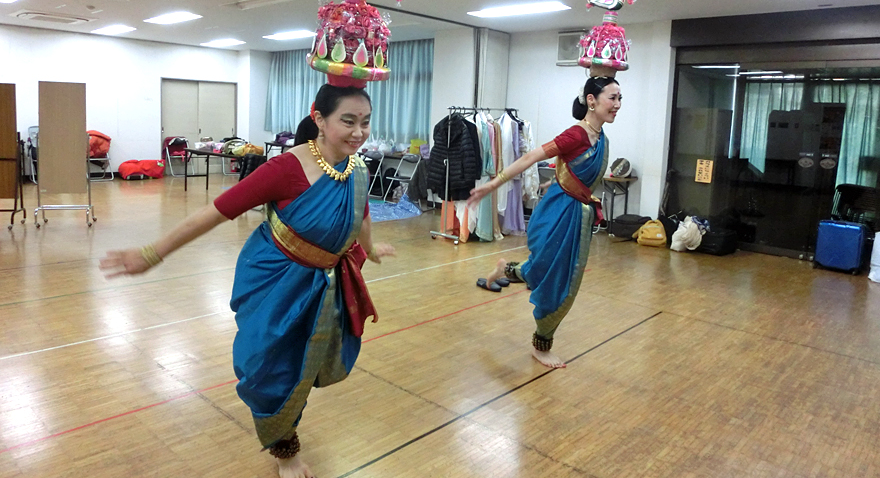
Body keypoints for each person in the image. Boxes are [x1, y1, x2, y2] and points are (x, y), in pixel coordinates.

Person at [100, 84, 395, 478]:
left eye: (365, 122)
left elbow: (361, 214)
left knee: (302, 366)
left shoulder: (357, 169)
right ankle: (285, 450)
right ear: (320, 120)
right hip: (276, 282)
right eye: (348, 121)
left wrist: (370, 249)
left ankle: (287, 437)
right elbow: (214, 213)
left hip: (325, 287)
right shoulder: (285, 168)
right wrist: (152, 253)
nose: (359, 132)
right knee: (268, 369)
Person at [467, 76, 621, 369]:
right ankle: (542, 345)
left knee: (550, 273)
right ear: (592, 100)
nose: (617, 105)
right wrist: (493, 184)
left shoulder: (601, 138)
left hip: (576, 213)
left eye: (619, 98)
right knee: (556, 280)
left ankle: (506, 270)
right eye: (612, 98)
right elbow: (532, 157)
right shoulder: (575, 135)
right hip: (559, 215)